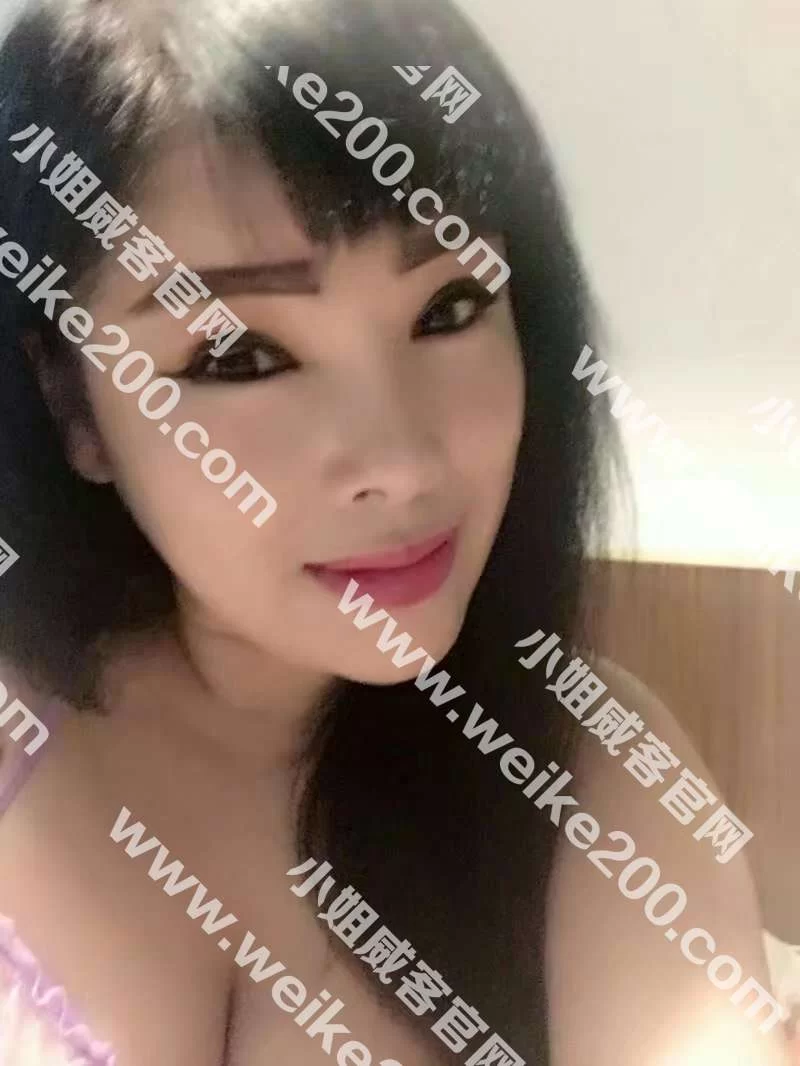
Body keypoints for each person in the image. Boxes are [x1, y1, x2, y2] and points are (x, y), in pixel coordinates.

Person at [0, 0, 789, 1063]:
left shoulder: (582, 769)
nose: (403, 463)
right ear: (73, 404)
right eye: (239, 355)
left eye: (450, 307)